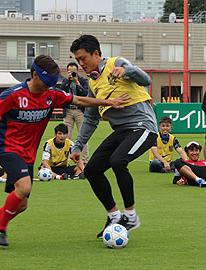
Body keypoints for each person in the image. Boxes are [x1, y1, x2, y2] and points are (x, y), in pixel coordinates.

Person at [0, 54, 129, 246]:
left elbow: (80, 101)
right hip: (8, 149)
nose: (46, 87)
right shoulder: (14, 94)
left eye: (50, 83)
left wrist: (109, 102)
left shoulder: (51, 95)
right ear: (34, 74)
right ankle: (0, 231)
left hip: (28, 154)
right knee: (24, 187)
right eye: (44, 82)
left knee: (21, 205)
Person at [69, 34, 158, 239]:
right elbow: (91, 119)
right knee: (92, 170)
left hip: (143, 127)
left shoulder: (116, 63)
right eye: (78, 60)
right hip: (120, 131)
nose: (81, 64)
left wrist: (128, 70)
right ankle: (115, 216)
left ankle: (131, 215)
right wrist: (77, 147)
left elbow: (147, 79)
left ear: (97, 54)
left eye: (83, 58)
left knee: (118, 161)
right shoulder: (93, 84)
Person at [60, 62, 90, 164]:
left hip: (80, 111)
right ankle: (66, 161)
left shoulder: (83, 80)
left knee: (83, 136)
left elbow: (86, 93)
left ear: (77, 71)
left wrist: (77, 83)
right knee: (66, 137)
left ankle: (85, 161)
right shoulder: (65, 81)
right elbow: (61, 92)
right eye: (69, 71)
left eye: (73, 71)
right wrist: (67, 80)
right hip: (68, 111)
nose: (72, 73)